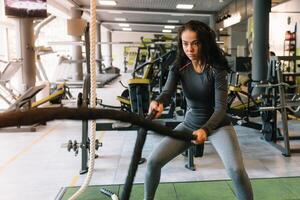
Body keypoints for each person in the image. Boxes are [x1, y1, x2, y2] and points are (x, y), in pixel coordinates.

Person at [144, 20, 253, 200]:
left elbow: (220, 109)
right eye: (185, 44)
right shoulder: (179, 66)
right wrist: (159, 102)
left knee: (236, 170)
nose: (189, 49)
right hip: (190, 124)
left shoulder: (216, 69)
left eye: (195, 43)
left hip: (218, 126)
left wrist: (205, 130)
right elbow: (167, 92)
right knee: (153, 162)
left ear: (204, 43)